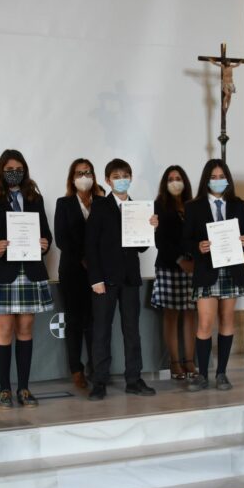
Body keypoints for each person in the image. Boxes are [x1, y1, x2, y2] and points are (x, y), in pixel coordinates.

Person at [0, 149, 54, 410]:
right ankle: (5, 389)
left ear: (25, 170)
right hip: (0, 274)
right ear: (0, 171)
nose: (14, 172)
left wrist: (44, 244)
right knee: (4, 330)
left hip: (29, 271)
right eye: (9, 168)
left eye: (18, 168)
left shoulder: (34, 199)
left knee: (26, 329)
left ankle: (24, 388)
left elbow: (47, 235)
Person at [85, 158, 159, 401]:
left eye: (125, 175)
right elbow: (91, 245)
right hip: (104, 280)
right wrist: (95, 278)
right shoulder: (99, 206)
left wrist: (150, 229)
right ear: (107, 180)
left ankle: (134, 379)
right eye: (116, 176)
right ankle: (99, 381)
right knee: (102, 331)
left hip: (129, 278)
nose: (122, 179)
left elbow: (141, 249)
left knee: (132, 330)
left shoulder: (139, 208)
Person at [183, 159, 244, 391]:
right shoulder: (194, 206)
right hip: (206, 270)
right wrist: (197, 247)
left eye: (222, 176)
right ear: (206, 179)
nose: (218, 180)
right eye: (213, 176)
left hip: (231, 270)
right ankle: (202, 374)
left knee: (227, 319)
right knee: (204, 322)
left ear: (228, 179)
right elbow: (186, 240)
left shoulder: (239, 204)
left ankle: (222, 373)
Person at [54, 158, 105, 390]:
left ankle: (97, 367)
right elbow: (62, 238)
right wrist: (84, 259)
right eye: (79, 172)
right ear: (72, 178)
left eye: (87, 172)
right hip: (73, 270)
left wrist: (95, 262)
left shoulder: (103, 202)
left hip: (98, 272)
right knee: (74, 322)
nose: (83, 176)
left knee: (95, 322)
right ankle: (76, 369)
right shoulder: (63, 203)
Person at [151, 165, 196, 380]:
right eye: (170, 179)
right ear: (165, 183)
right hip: (170, 266)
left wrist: (194, 259)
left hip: (194, 266)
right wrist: (180, 261)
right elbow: (160, 241)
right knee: (171, 316)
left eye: (178, 178)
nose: (175, 182)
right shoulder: (159, 205)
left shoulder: (194, 205)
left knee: (190, 314)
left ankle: (190, 361)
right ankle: (175, 362)